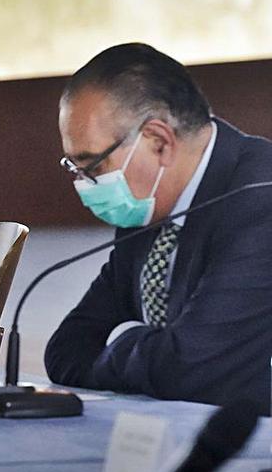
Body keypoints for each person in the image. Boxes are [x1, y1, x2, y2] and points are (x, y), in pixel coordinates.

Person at [46, 43, 272, 410]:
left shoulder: (260, 199)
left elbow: (187, 369)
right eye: (74, 168)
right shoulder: (148, 207)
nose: (84, 184)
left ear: (158, 141)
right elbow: (66, 351)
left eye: (93, 166)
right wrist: (149, 350)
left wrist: (122, 338)